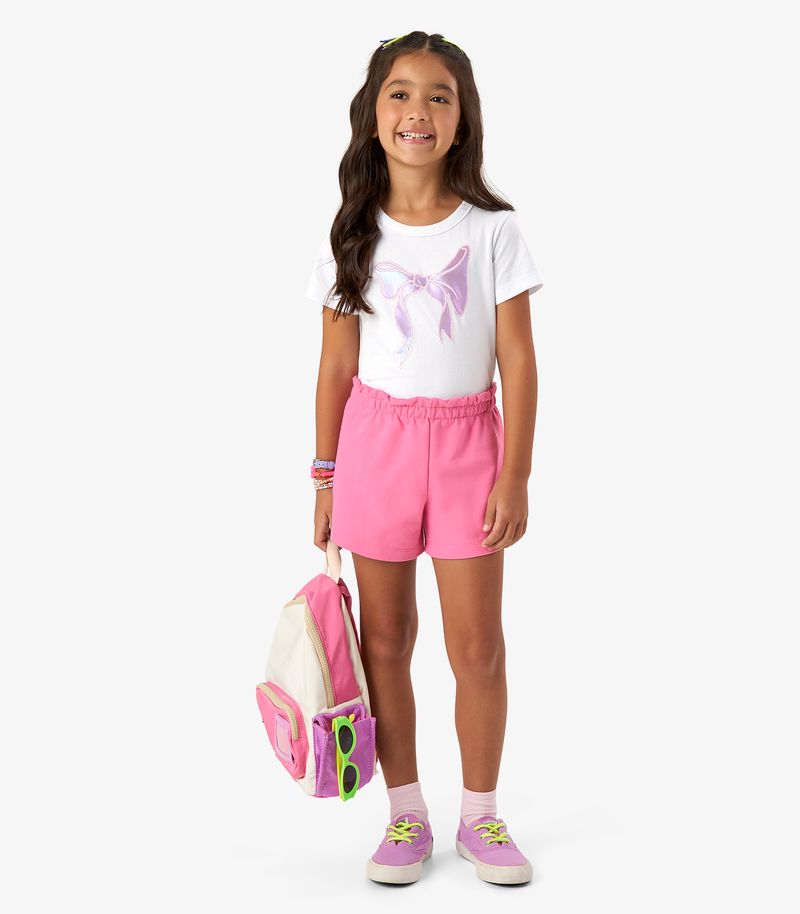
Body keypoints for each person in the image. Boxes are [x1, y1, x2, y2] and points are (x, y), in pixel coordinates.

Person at [305, 32, 543, 887]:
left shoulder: (494, 231)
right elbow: (336, 367)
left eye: (439, 95)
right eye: (400, 93)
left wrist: (515, 473)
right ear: (374, 115)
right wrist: (325, 477)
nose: (418, 111)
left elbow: (518, 359)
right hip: (376, 448)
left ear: (462, 119)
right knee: (386, 641)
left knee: (478, 646)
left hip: (470, 448)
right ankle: (405, 814)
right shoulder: (351, 233)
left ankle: (481, 816)